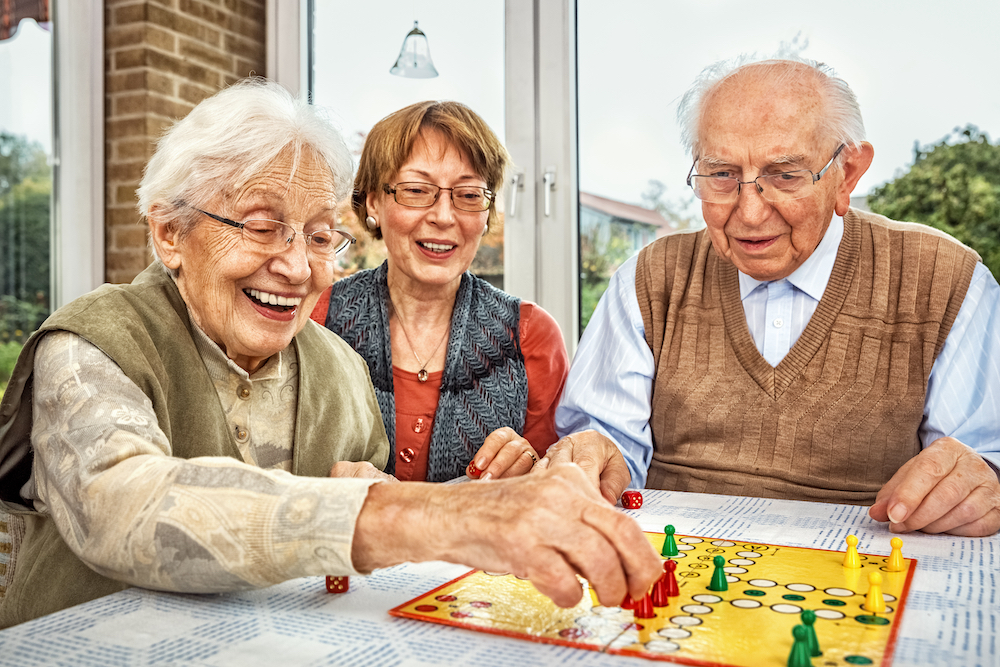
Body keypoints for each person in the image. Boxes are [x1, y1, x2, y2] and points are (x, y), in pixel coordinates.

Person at [0, 79, 661, 628]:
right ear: (169, 230)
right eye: (263, 227)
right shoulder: (89, 345)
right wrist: (429, 513)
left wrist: (426, 503)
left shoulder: (336, 367)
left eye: (319, 237)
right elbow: (122, 504)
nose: (296, 266)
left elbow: (359, 555)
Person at [553, 56, 1000, 537]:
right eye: (721, 174)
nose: (748, 212)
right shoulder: (647, 278)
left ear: (847, 174)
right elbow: (605, 443)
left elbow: (980, 461)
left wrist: (982, 480)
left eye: (784, 175)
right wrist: (592, 455)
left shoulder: (946, 280)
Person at [312, 101, 569, 482]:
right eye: (417, 190)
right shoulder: (317, 318)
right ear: (372, 203)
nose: (444, 216)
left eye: (468, 195)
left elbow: (555, 487)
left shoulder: (530, 337)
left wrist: (533, 465)